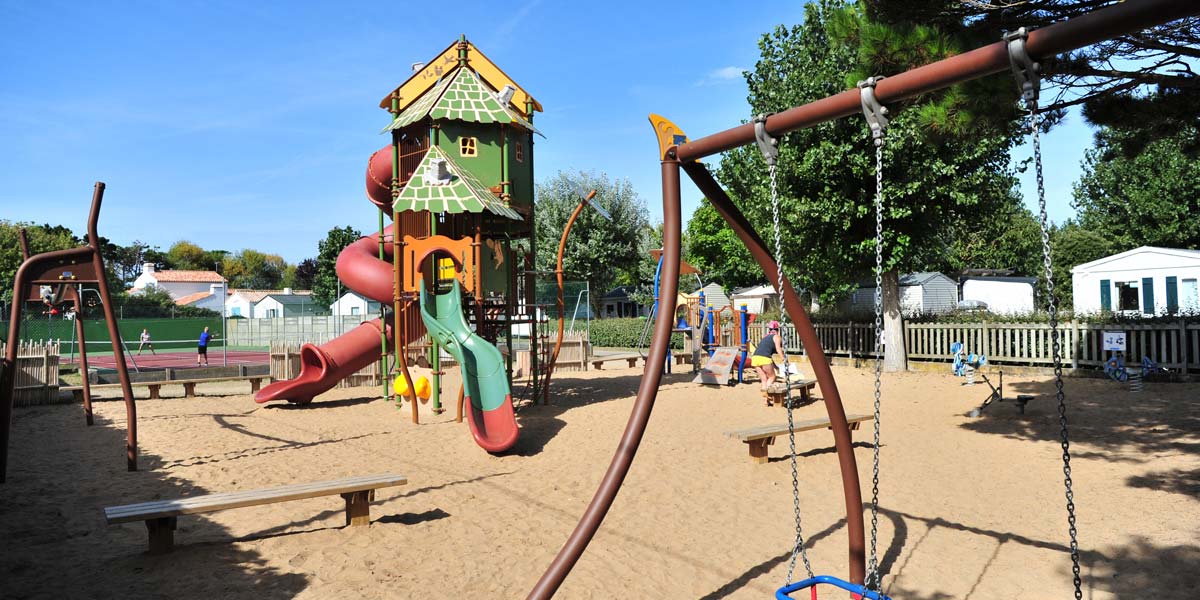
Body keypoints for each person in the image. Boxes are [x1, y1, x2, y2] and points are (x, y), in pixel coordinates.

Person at [751, 320, 785, 403]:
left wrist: (775, 366)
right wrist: (784, 359)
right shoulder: (777, 337)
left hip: (755, 358)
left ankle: (765, 401)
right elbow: (778, 348)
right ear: (778, 329)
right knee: (772, 377)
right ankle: (768, 393)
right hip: (764, 358)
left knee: (764, 380)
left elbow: (766, 352)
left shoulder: (765, 337)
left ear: (769, 329)